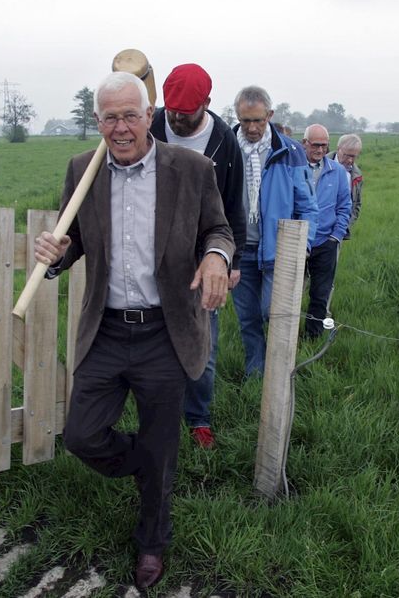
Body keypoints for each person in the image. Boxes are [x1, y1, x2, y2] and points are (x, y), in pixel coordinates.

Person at [33, 72, 233, 590]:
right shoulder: (83, 169)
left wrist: (215, 256)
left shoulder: (190, 168)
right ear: (96, 121)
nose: (120, 128)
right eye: (109, 117)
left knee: (163, 438)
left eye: (129, 116)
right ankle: (146, 465)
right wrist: (57, 256)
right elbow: (72, 238)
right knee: (81, 435)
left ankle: (152, 540)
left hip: (165, 330)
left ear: (150, 116)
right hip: (106, 327)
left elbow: (219, 228)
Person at [149, 63, 246, 449]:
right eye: (171, 111)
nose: (176, 119)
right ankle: (158, 416)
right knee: (155, 341)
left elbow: (234, 204)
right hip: (154, 256)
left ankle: (198, 418)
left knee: (202, 346)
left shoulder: (224, 140)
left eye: (185, 114)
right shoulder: (152, 126)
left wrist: (230, 261)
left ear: (206, 103)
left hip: (205, 258)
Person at [231, 85, 318, 376]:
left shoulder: (289, 152)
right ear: (237, 116)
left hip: (278, 249)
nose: (252, 128)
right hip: (238, 250)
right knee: (248, 317)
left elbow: (308, 206)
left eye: (258, 120)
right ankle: (256, 372)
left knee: (274, 312)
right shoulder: (227, 147)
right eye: (245, 121)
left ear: (270, 114)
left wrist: (303, 246)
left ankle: (281, 370)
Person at [302, 124, 351, 339]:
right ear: (305, 143)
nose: (320, 150)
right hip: (296, 242)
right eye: (315, 145)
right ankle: (287, 336)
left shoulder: (337, 171)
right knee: (290, 292)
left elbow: (344, 206)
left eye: (324, 145)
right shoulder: (292, 169)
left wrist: (336, 236)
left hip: (325, 243)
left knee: (320, 294)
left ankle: (313, 336)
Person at [328, 133, 363, 239]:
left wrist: (343, 226)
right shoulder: (321, 164)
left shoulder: (357, 175)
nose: (350, 160)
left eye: (354, 157)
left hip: (338, 231)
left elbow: (356, 204)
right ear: (338, 149)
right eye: (347, 155)